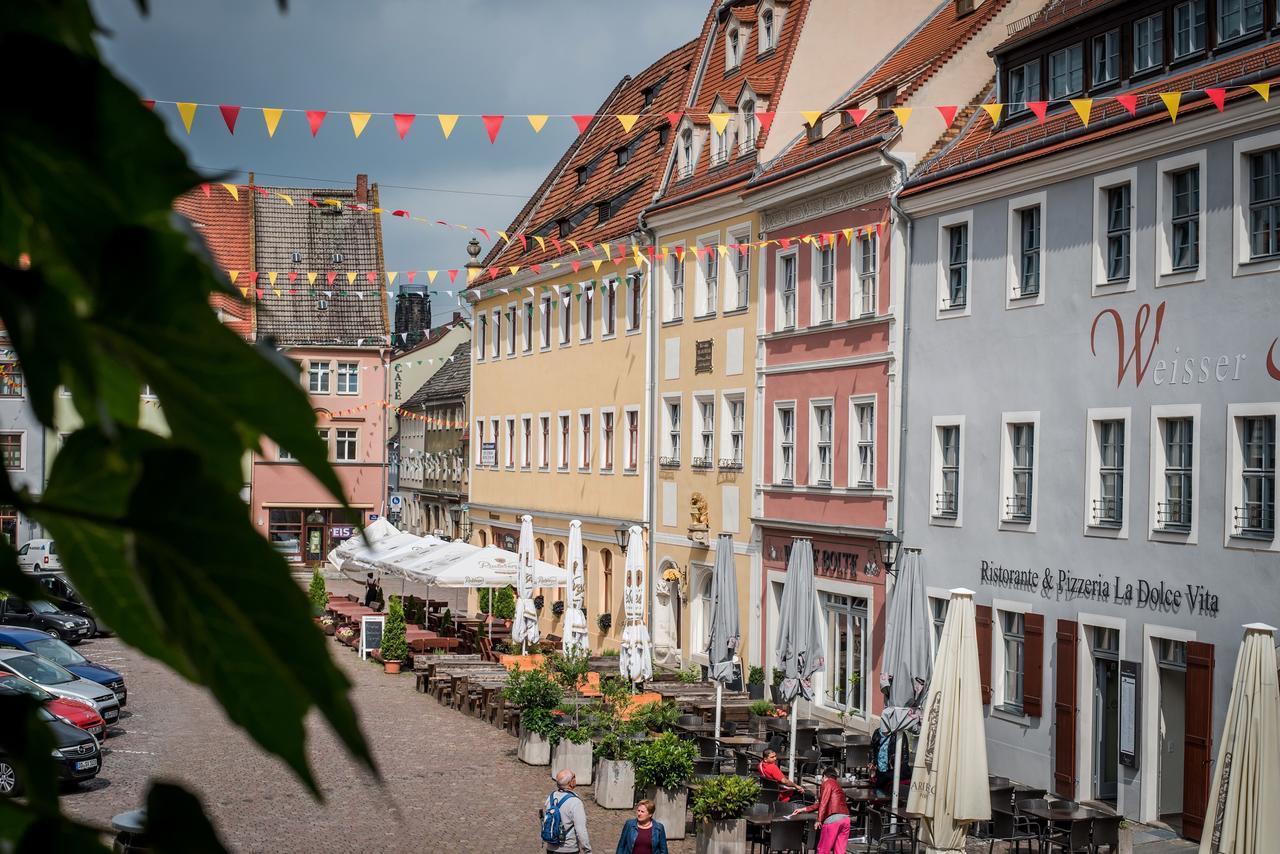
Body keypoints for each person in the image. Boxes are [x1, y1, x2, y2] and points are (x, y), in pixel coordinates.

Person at [790, 766, 851, 854]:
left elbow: (824, 802)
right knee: (840, 850)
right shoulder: (838, 786)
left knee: (823, 850)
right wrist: (804, 809)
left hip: (833, 819)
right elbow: (823, 803)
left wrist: (819, 819)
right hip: (845, 819)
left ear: (824, 777)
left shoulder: (827, 783)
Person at [542, 769, 591, 854]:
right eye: (574, 777)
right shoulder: (575, 802)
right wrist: (587, 850)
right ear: (571, 782)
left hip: (551, 848)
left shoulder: (551, 797)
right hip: (569, 849)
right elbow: (581, 830)